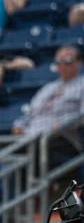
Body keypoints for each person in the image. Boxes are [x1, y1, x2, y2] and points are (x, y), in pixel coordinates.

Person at [12, 43, 84, 179]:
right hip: (33, 136)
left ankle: (39, 193)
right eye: (58, 61)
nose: (61, 65)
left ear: (79, 63)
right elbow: (30, 113)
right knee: (13, 150)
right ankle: (31, 196)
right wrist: (19, 125)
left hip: (62, 138)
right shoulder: (48, 88)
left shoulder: (82, 85)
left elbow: (81, 115)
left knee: (32, 150)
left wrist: (61, 124)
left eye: (67, 61)